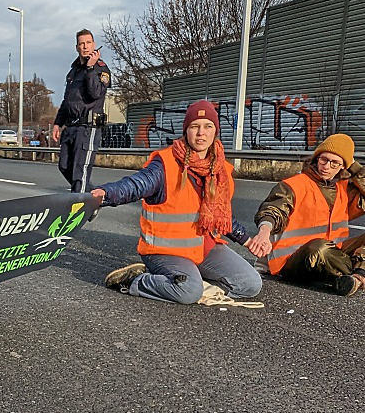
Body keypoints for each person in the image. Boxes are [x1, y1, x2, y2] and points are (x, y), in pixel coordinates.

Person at [91, 100, 263, 305]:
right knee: (189, 292)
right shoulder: (165, 164)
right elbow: (136, 185)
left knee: (250, 284)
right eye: (194, 126)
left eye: (208, 126)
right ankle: (136, 280)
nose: (201, 133)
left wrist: (247, 240)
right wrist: (106, 194)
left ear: (215, 131)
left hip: (204, 249)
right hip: (165, 251)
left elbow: (222, 217)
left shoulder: (220, 170)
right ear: (186, 131)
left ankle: (186, 281)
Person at [247, 133, 365, 296]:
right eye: (323, 159)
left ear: (343, 166)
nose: (326, 166)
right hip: (294, 260)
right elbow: (274, 209)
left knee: (324, 249)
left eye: (335, 162)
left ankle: (357, 277)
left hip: (334, 254)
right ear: (317, 158)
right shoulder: (294, 185)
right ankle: (355, 275)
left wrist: (354, 166)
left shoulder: (344, 189)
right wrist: (264, 231)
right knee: (318, 248)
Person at [51, 28, 111, 193]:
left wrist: (90, 69)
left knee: (80, 174)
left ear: (94, 45)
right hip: (71, 127)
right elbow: (67, 100)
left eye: (88, 43)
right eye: (81, 44)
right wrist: (57, 124)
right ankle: (95, 198)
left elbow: (95, 93)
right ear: (76, 47)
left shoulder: (101, 69)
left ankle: (76, 210)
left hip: (88, 128)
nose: (85, 47)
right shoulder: (73, 71)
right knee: (64, 166)